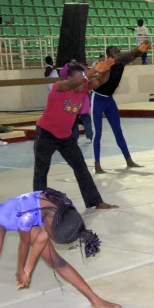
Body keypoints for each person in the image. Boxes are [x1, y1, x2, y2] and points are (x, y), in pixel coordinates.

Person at [34, 61, 118, 209]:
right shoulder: (59, 87)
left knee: (81, 167)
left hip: (66, 137)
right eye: (78, 80)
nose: (81, 84)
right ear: (68, 79)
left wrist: (106, 69)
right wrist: (92, 71)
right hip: (46, 133)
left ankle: (95, 201)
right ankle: (39, 205)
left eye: (83, 81)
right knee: (41, 170)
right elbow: (75, 82)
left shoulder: (84, 87)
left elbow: (101, 80)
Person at [90, 41, 151, 173]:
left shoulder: (121, 61)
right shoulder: (106, 63)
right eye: (116, 51)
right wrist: (137, 49)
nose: (119, 53)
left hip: (109, 99)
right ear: (109, 54)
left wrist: (140, 51)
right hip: (98, 98)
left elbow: (129, 57)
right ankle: (97, 163)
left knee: (118, 130)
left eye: (119, 51)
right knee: (98, 133)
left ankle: (128, 159)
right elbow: (122, 58)